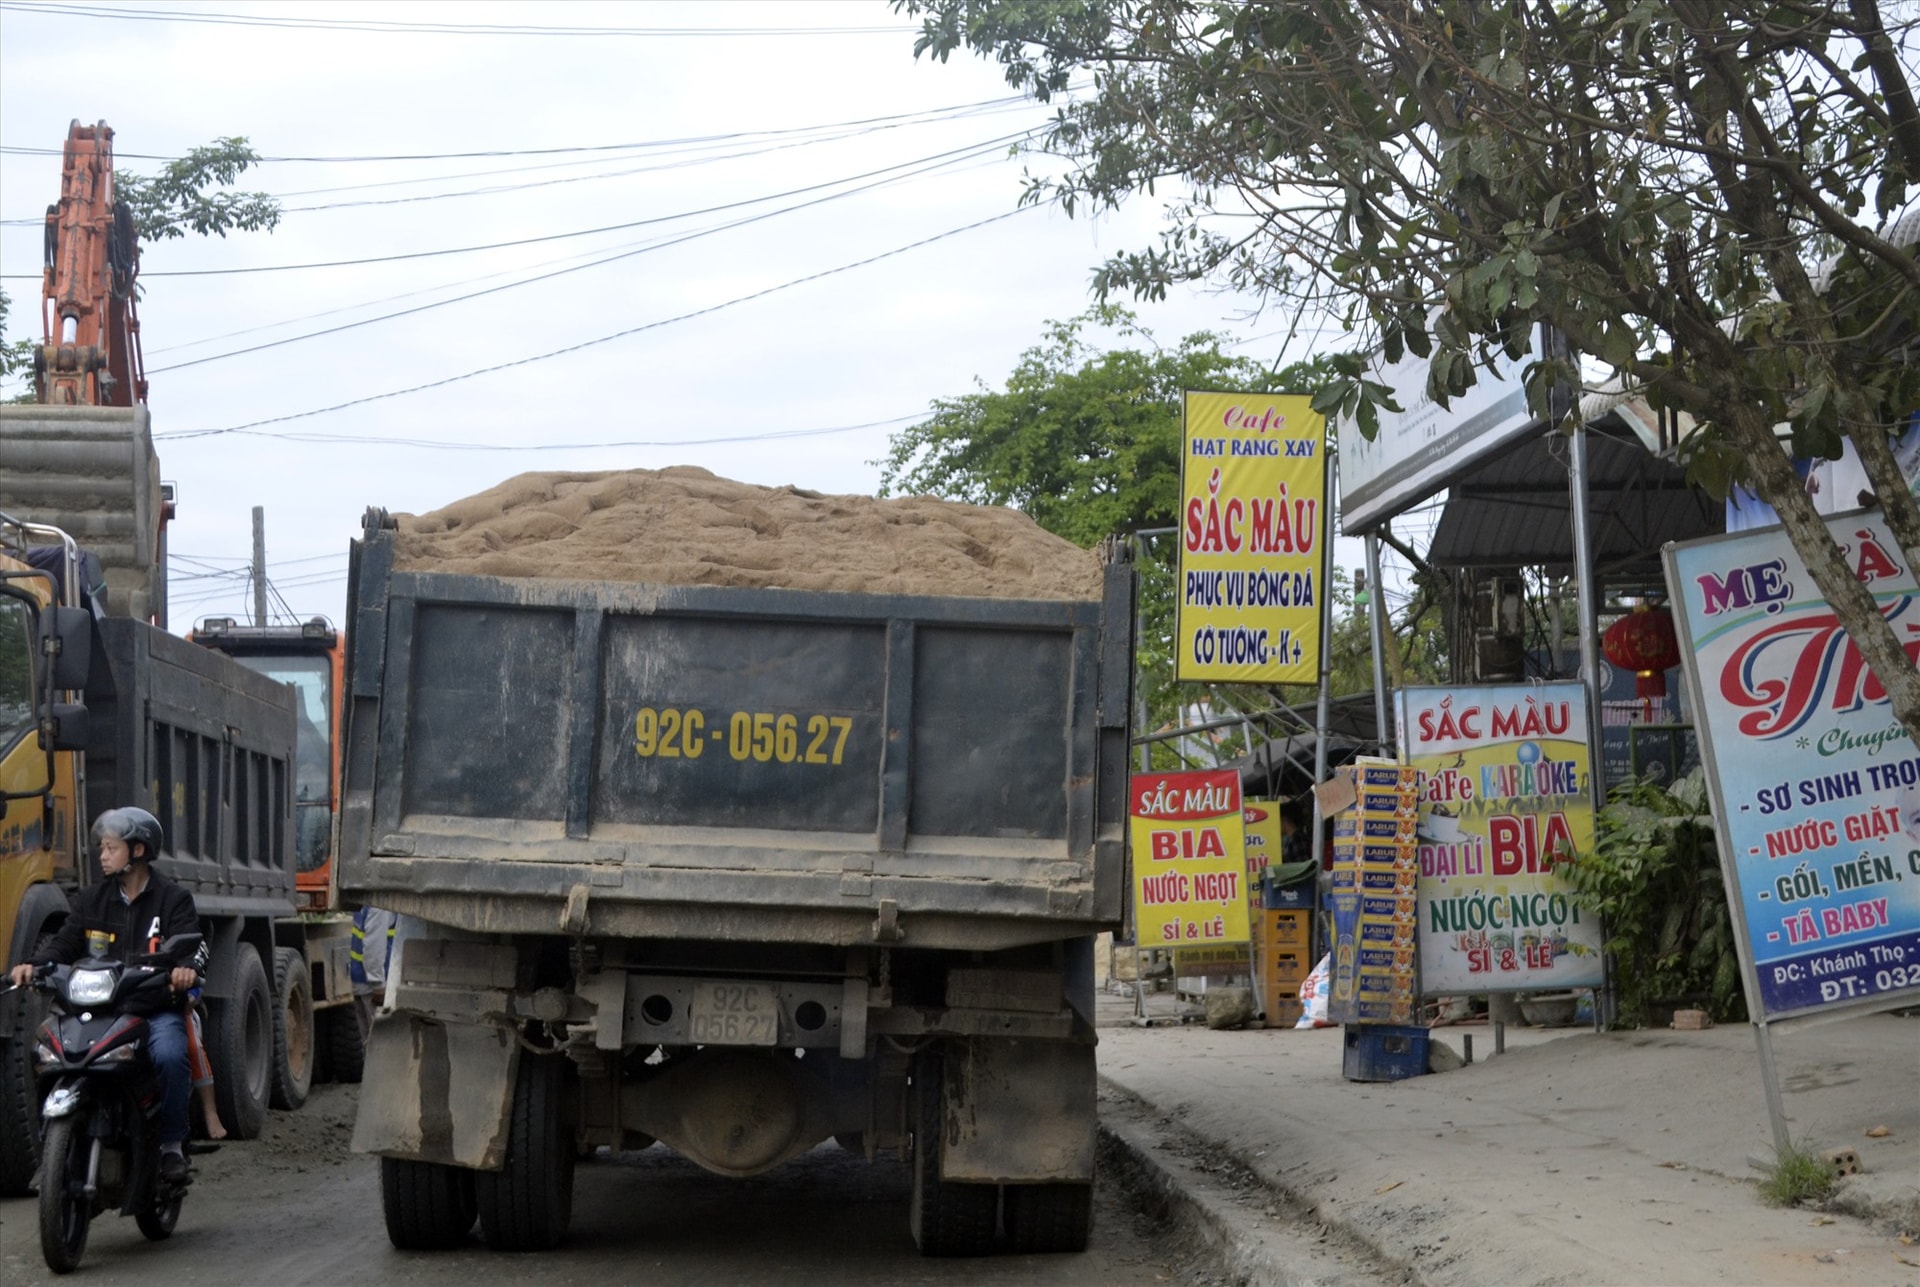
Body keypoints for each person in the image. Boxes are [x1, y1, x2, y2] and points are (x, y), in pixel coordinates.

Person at [8, 807, 207, 1182]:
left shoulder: (173, 899)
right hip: (100, 1011)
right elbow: (65, 943)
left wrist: (184, 969)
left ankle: (171, 1145)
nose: (102, 855)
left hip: (152, 1007)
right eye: (102, 848)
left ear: (137, 851)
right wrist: (34, 965)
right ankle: (50, 1150)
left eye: (110, 848)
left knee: (168, 1055)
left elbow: (191, 948)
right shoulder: (90, 900)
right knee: (45, 1052)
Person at [350, 904, 396, 1044]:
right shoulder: (381, 907)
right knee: (381, 1044)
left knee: (369, 1044)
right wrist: (378, 985)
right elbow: (373, 946)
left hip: (361, 981)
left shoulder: (366, 903)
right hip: (373, 987)